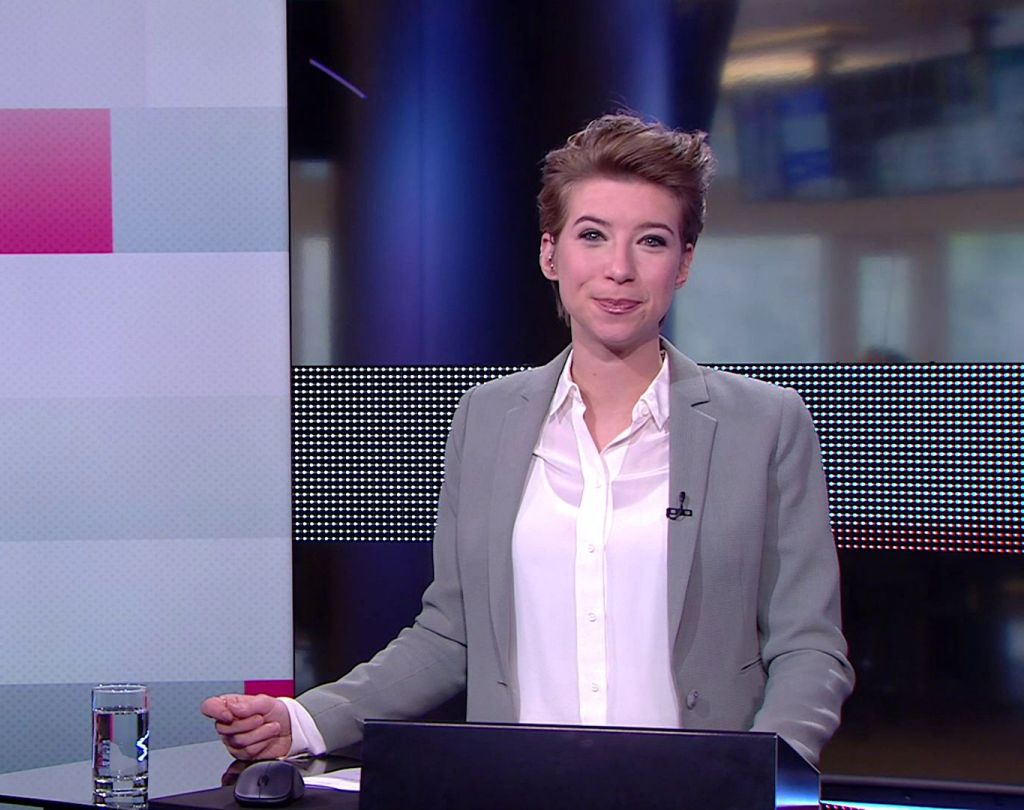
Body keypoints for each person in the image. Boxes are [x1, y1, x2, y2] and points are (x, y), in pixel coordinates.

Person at [201, 114, 854, 766]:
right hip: (522, 787)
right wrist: (306, 721)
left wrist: (766, 772)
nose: (619, 269)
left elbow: (809, 647)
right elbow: (451, 635)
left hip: (699, 793)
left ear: (682, 264)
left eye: (651, 242)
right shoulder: (487, 419)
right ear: (550, 254)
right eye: (592, 236)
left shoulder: (764, 424)